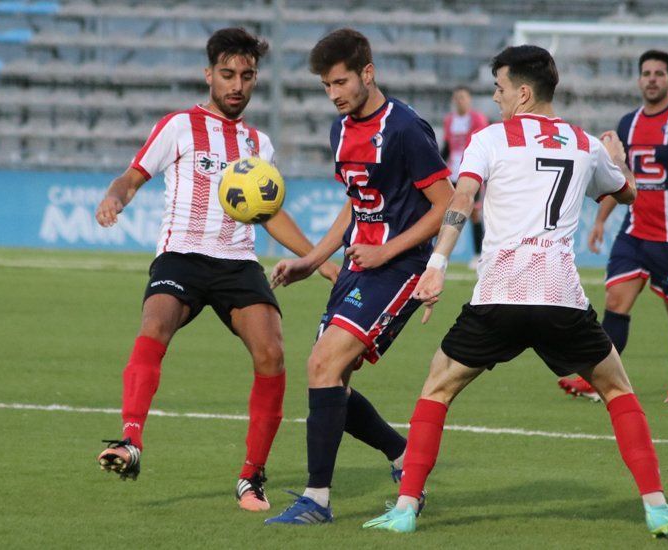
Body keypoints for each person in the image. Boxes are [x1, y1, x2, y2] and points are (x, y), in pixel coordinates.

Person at [362, 45, 668, 538]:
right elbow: (627, 193)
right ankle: (657, 507)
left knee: (437, 388)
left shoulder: (489, 139)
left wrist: (437, 264)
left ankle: (405, 509)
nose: (496, 98)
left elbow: (462, 198)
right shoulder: (584, 143)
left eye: (500, 89)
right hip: (559, 299)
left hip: (498, 298)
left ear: (523, 93)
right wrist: (617, 159)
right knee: (617, 389)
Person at [93, 27, 338, 512]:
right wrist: (114, 197)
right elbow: (133, 175)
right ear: (209, 75)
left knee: (271, 353)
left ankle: (251, 477)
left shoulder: (258, 144)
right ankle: (130, 439)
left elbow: (268, 214)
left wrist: (318, 261)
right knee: (155, 324)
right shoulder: (179, 126)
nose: (237, 85)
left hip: (236, 261)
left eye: (247, 76)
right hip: (181, 254)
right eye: (227, 74)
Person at [264, 28, 453, 525]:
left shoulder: (407, 129)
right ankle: (402, 456)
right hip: (357, 267)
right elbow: (357, 202)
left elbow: (447, 204)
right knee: (331, 380)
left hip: (399, 269)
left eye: (341, 82)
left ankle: (316, 500)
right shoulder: (341, 130)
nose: (334, 94)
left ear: (368, 73)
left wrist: (387, 249)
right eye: (327, 86)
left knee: (323, 368)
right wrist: (312, 259)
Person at [559, 49, 668, 405]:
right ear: (638, 79)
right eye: (646, 73)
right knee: (615, 303)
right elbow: (622, 179)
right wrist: (601, 220)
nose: (651, 79)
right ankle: (598, 383)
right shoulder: (627, 124)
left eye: (659, 73)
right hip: (633, 235)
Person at [441, 86, 488, 268]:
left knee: (475, 213)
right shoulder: (449, 121)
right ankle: (443, 254)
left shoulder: (477, 119)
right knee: (448, 213)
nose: (460, 101)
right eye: (457, 97)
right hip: (452, 173)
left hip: (471, 172)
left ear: (469, 100)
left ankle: (478, 255)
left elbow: (482, 145)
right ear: (454, 100)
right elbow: (446, 147)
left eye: (463, 97)